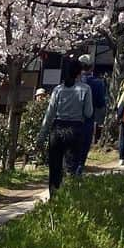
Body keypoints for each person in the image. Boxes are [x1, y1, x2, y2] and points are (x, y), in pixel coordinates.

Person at [37, 56, 93, 194]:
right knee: (71, 168)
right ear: (79, 72)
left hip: (57, 129)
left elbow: (49, 114)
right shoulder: (85, 89)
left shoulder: (57, 90)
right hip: (75, 129)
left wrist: (42, 135)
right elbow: (88, 112)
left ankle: (54, 197)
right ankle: (68, 199)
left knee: (55, 168)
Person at [77, 55, 104, 170]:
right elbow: (100, 103)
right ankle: (77, 173)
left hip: (67, 120)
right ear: (92, 67)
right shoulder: (97, 83)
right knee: (82, 148)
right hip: (87, 120)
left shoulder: (68, 82)